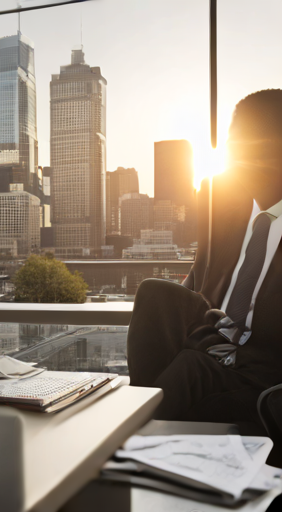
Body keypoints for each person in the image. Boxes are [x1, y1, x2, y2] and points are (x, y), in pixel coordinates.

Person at [127, 89, 282, 429]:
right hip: (214, 337)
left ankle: (126, 442)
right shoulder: (221, 203)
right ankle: (137, 431)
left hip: (267, 364)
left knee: (190, 367)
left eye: (248, 144)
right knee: (153, 292)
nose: (234, 154)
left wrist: (233, 347)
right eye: (231, 143)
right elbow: (199, 276)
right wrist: (199, 326)